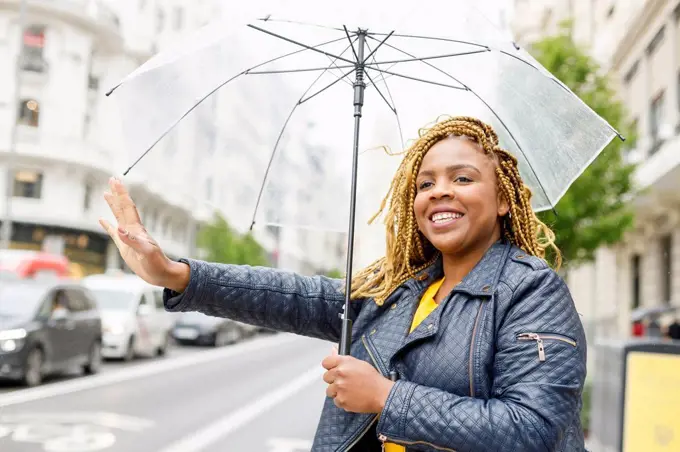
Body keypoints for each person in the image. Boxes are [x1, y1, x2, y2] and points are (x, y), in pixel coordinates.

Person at [100, 116, 587, 451]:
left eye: (462, 179)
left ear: (503, 200)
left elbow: (534, 429)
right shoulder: (401, 288)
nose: (439, 190)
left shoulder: (532, 291)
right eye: (425, 183)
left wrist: (386, 397)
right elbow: (292, 297)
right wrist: (176, 274)